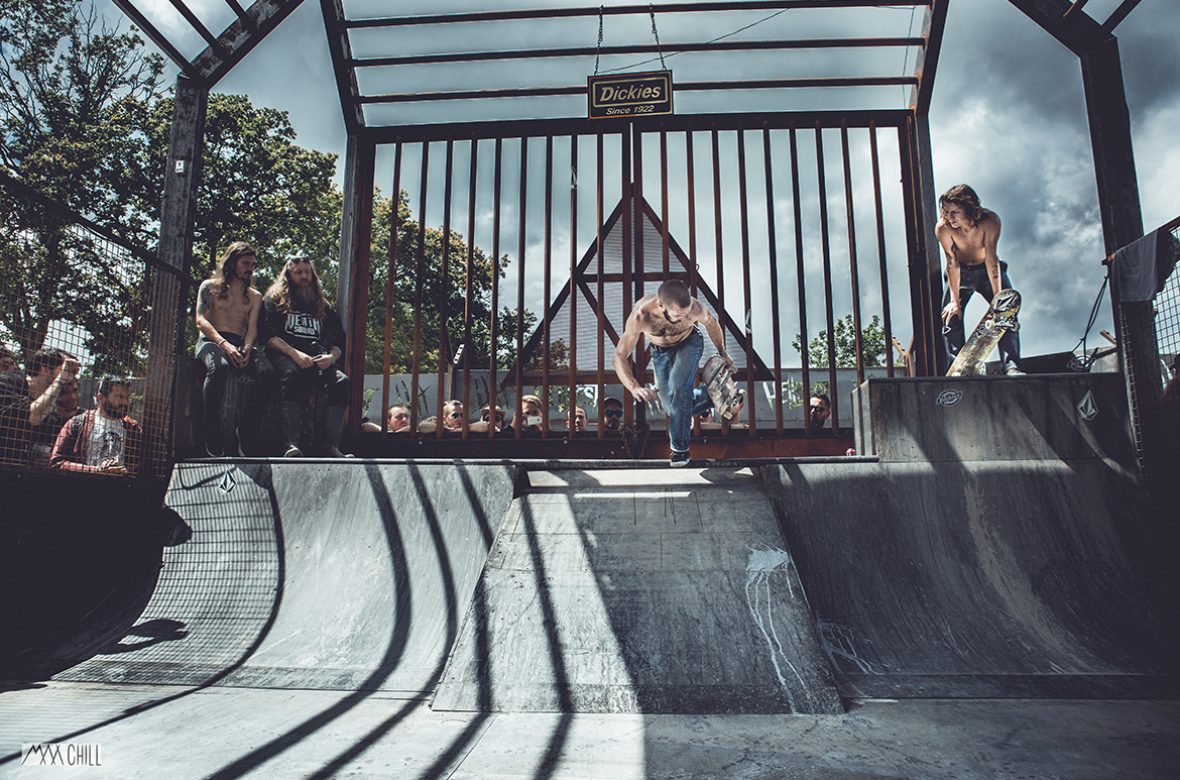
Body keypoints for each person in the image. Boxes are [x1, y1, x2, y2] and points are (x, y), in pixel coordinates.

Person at [612, 279, 731, 466]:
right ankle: (711, 396)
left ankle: (680, 451)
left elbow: (712, 324)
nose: (684, 318)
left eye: (686, 313)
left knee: (678, 387)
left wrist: (723, 353)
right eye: (677, 315)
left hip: (690, 342)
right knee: (672, 408)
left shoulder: (695, 309)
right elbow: (619, 355)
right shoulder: (641, 316)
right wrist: (633, 387)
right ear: (660, 305)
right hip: (660, 353)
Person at [262, 256, 351, 457]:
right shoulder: (274, 300)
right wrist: (294, 354)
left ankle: (330, 446)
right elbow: (267, 336)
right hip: (284, 354)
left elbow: (339, 341)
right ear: (288, 276)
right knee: (292, 374)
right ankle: (290, 444)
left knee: (342, 382)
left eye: (307, 272)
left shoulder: (322, 305)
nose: (304, 276)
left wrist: (331, 357)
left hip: (316, 357)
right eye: (298, 272)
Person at [935, 184, 1023, 375]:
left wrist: (999, 297)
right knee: (950, 316)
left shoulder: (989, 221)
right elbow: (952, 263)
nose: (950, 217)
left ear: (970, 208)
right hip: (961, 272)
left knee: (1006, 314)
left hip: (987, 270)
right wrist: (954, 302)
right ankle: (957, 368)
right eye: (947, 212)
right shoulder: (944, 228)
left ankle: (1011, 366)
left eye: (955, 212)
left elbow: (992, 258)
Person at [194, 241, 264, 456]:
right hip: (211, 341)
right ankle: (211, 433)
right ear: (233, 262)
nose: (250, 268)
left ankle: (246, 430)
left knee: (267, 372)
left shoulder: (254, 296)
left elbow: (252, 328)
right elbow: (200, 321)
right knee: (220, 368)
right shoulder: (209, 287)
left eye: (252, 263)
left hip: (240, 342)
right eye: (245, 263)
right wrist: (223, 344)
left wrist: (248, 348)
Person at [0, 347, 80, 467]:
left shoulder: (49, 402)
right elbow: (33, 417)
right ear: (45, 369)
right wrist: (60, 380)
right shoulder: (6, 383)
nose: (71, 377)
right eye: (66, 369)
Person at [50, 375, 143, 475]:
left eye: (127, 397)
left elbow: (143, 464)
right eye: (119, 397)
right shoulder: (78, 423)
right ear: (101, 397)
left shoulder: (132, 428)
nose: (125, 402)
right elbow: (56, 462)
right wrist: (95, 470)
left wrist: (126, 471)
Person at [30, 376, 80, 468]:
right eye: (65, 393)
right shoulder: (42, 421)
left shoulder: (86, 420)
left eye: (75, 390)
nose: (72, 397)